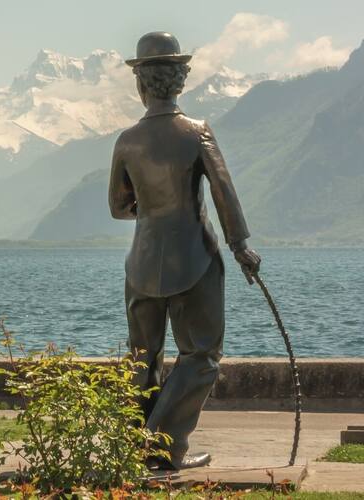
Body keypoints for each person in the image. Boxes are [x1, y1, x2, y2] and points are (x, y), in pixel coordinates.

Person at [109, 31, 263, 470]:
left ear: (141, 83)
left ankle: (136, 451)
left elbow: (118, 207)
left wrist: (151, 209)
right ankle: (161, 449)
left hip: (141, 264)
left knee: (142, 358)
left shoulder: (126, 141)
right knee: (201, 355)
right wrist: (240, 245)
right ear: (180, 80)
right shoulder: (197, 132)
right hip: (194, 260)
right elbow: (223, 192)